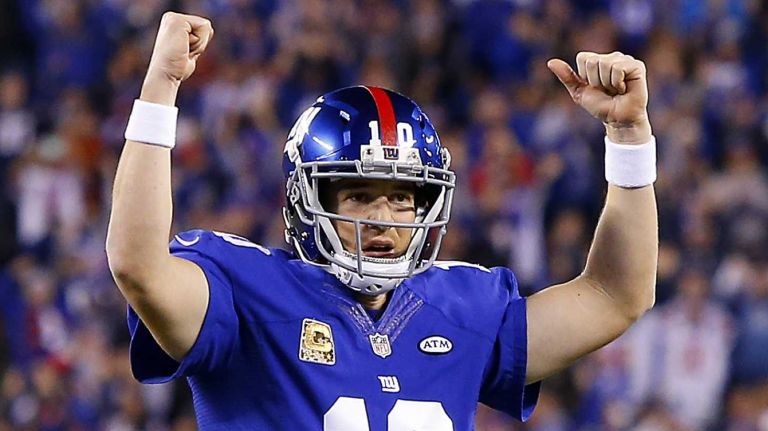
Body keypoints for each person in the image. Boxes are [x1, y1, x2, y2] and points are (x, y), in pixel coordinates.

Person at [106, 12, 658, 430]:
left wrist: (629, 139)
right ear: (306, 199)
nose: (383, 219)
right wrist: (161, 90)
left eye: (402, 199)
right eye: (359, 195)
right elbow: (139, 266)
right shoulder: (247, 291)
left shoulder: (463, 307)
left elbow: (616, 295)